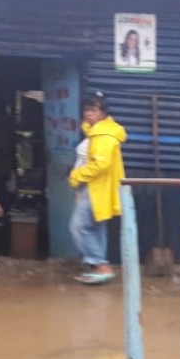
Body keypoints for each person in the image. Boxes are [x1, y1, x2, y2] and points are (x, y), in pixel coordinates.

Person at [68, 92, 126, 285]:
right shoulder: (96, 132)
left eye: (93, 110)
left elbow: (101, 164)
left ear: (103, 113)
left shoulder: (104, 135)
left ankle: (100, 265)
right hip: (93, 187)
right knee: (95, 227)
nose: (88, 113)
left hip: (96, 188)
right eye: (86, 109)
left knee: (79, 226)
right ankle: (99, 269)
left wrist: (76, 176)